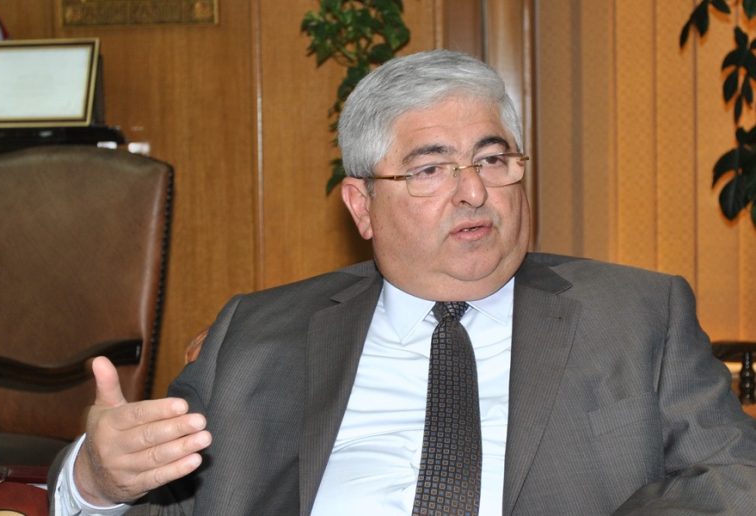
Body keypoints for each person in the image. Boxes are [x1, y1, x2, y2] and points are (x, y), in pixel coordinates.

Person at [50, 49, 756, 515]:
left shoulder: (639, 313)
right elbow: (159, 495)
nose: (474, 192)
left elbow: (737, 478)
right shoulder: (258, 332)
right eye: (429, 169)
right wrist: (97, 481)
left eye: (493, 159)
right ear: (362, 205)